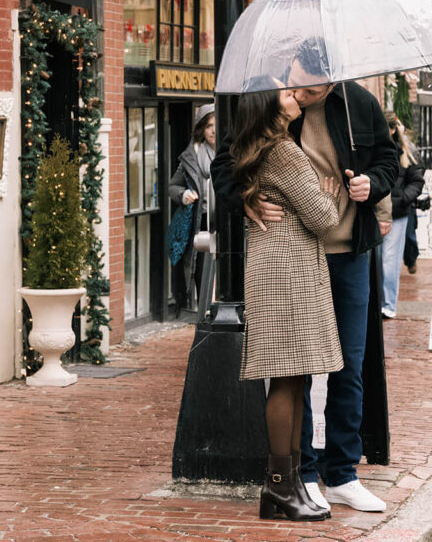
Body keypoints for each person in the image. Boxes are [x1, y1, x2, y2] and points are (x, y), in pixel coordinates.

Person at [212, 38, 398, 513]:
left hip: (347, 251)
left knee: (346, 365)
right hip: (295, 258)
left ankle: (342, 473)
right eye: (296, 86)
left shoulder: (358, 102)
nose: (301, 95)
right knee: (298, 369)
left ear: (333, 80)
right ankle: (303, 474)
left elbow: (389, 161)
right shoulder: (270, 104)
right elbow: (227, 165)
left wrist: (369, 184)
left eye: (313, 91)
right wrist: (246, 198)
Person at [232, 80, 343, 521]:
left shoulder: (266, 148)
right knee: (285, 379)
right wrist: (328, 195)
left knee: (292, 378)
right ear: (267, 105)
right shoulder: (284, 152)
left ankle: (291, 481)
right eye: (284, 93)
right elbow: (323, 218)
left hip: (280, 271)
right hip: (287, 273)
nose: (294, 95)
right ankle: (279, 486)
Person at [168, 103, 216, 314]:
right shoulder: (192, 156)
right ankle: (204, 319)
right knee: (203, 275)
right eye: (208, 126)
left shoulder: (235, 151)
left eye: (217, 125)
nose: (214, 130)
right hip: (202, 222)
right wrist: (183, 195)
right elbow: (173, 186)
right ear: (201, 130)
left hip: (228, 222)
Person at [380, 111, 425, 317]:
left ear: (392, 129)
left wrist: (404, 198)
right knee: (379, 260)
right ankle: (380, 301)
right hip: (375, 212)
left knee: (390, 260)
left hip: (398, 212)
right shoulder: (373, 149)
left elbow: (416, 179)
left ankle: (388, 304)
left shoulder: (407, 152)